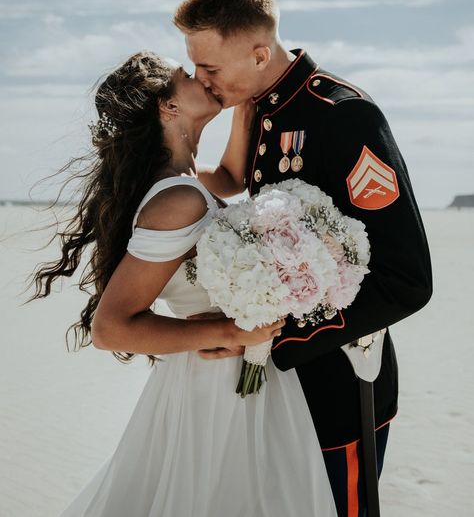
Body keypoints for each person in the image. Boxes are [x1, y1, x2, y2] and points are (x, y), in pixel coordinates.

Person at [28, 51, 337, 517]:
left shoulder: (186, 182)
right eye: (186, 75)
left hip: (225, 377)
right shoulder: (177, 199)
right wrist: (231, 333)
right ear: (167, 108)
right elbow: (110, 328)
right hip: (216, 388)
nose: (202, 77)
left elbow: (232, 176)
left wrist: (245, 101)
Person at [174, 0, 433, 517]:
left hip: (342, 380)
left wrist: (273, 339)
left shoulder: (345, 116)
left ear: (260, 52)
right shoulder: (261, 107)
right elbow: (229, 177)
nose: (200, 79)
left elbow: (408, 281)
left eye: (211, 68)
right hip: (277, 389)